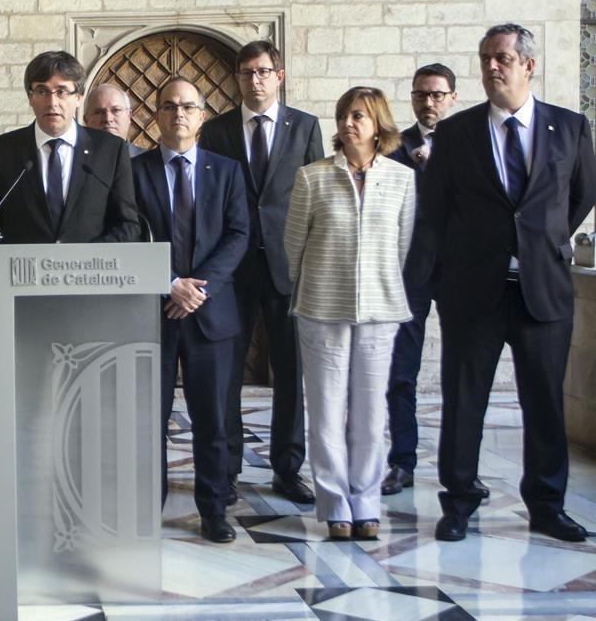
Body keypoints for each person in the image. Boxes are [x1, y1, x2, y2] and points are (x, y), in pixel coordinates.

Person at [424, 24, 596, 543]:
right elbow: (436, 210)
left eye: (501, 58)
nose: (491, 68)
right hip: (474, 291)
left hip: (542, 291)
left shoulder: (569, 127)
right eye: (485, 59)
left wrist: (541, 240)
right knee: (463, 400)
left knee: (544, 402)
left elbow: (582, 195)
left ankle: (546, 503)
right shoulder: (456, 134)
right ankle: (458, 501)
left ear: (528, 65)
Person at [284, 86, 414, 540]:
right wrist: (309, 288)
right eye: (343, 116)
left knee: (370, 413)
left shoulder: (401, 178)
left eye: (358, 116)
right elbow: (294, 245)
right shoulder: (312, 177)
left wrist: (376, 284)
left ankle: (367, 502)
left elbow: (401, 246)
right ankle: (336, 505)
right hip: (321, 307)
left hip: (380, 310)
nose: (348, 124)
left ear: (378, 124)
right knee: (324, 412)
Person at [200, 40, 322, 506]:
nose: (255, 80)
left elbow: (316, 197)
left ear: (280, 75)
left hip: (290, 267)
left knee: (290, 372)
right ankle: (225, 469)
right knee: (226, 373)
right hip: (232, 269)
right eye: (247, 72)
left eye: (263, 71)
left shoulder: (305, 126)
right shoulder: (217, 131)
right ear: (238, 78)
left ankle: (288, 469)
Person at [131, 78, 248, 543]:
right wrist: (168, 285)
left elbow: (238, 235)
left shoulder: (227, 171)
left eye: (188, 107)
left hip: (211, 313)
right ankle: (145, 507)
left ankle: (214, 508)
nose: (178, 113)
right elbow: (129, 236)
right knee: (147, 419)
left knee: (213, 420)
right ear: (156, 116)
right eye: (169, 106)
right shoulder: (134, 172)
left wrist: (198, 288)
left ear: (202, 117)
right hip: (150, 313)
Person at [380, 64, 468, 496]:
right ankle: (403, 461)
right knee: (402, 372)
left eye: (436, 95)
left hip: (460, 272)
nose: (428, 102)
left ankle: (463, 468)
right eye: (420, 95)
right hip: (409, 272)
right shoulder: (395, 149)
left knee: (465, 373)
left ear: (452, 96)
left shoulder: (471, 145)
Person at [0, 50, 140, 245]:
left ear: (78, 97)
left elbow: (128, 224)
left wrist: (89, 258)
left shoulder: (110, 150)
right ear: (30, 98)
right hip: (22, 271)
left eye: (61, 92)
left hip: (90, 271)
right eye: (42, 91)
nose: (52, 102)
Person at [84, 84, 145, 157]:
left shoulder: (148, 162)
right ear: (86, 120)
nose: (108, 118)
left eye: (116, 110)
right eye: (98, 112)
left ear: (129, 116)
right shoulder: (72, 161)